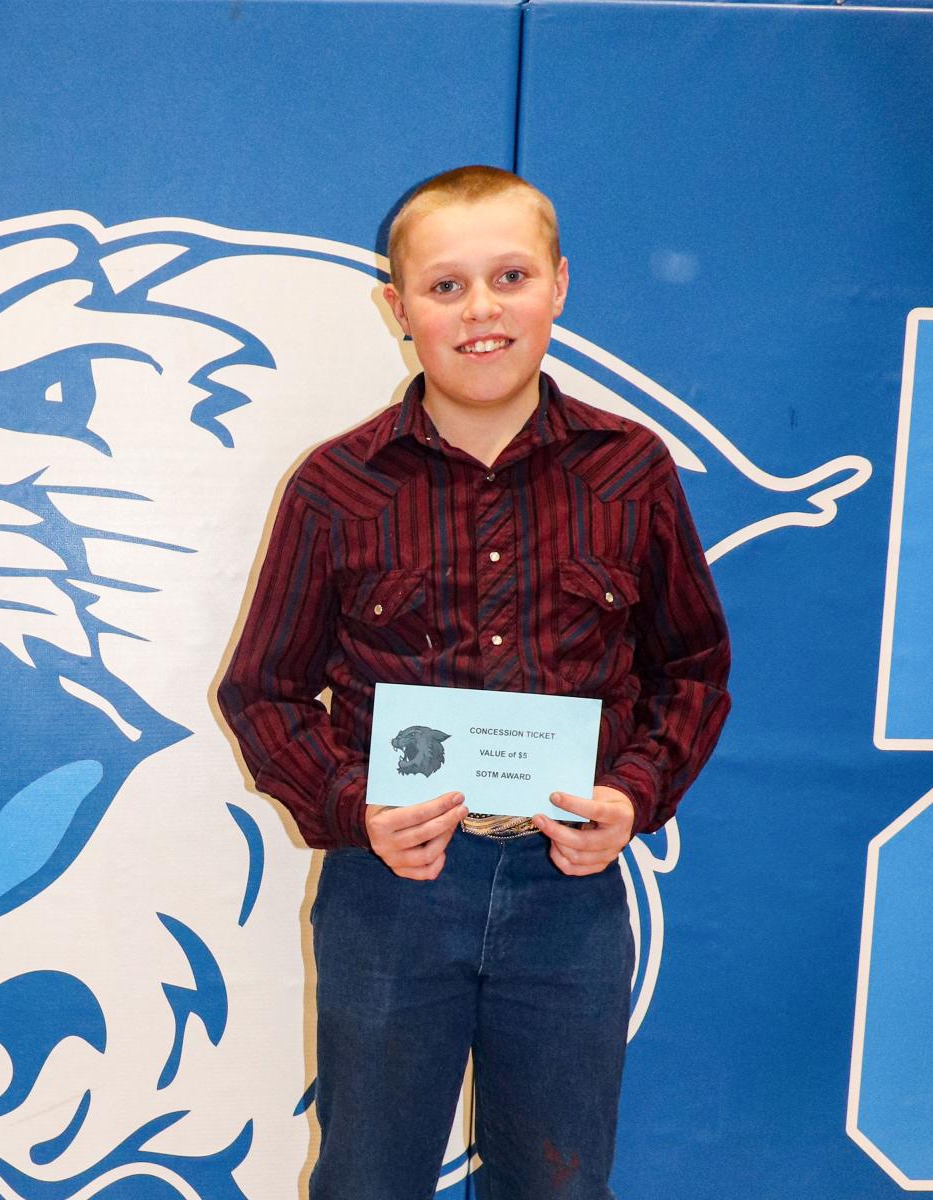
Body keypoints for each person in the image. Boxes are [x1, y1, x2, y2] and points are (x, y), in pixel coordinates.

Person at [217, 165, 730, 1199]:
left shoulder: (630, 471)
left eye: (508, 276)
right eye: (444, 287)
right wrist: (355, 808)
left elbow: (692, 668)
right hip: (390, 893)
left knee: (558, 1182)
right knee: (367, 1180)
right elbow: (261, 692)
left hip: (569, 893)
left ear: (559, 286)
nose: (480, 309)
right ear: (395, 307)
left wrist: (632, 793)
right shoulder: (335, 488)